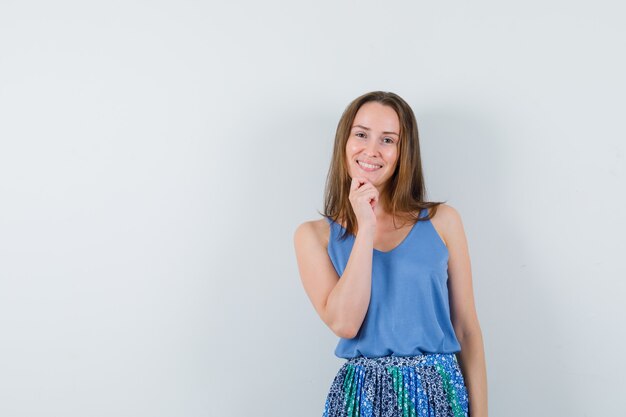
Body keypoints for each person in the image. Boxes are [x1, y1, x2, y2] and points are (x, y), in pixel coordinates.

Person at [293, 91, 488, 417]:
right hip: (362, 398)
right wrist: (365, 227)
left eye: (388, 140)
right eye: (361, 134)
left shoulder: (443, 221)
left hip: (438, 393)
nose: (371, 150)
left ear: (403, 152)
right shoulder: (314, 236)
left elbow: (466, 328)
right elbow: (345, 323)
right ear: (345, 141)